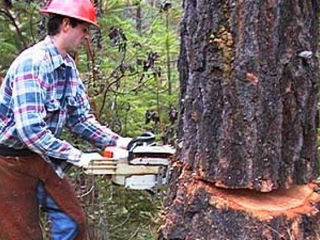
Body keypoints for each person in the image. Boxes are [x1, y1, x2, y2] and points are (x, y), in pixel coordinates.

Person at [0, 0, 131, 239]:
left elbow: (80, 119)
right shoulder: (32, 63)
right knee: (19, 234)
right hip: (9, 161)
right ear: (66, 24)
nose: (87, 36)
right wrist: (78, 157)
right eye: (84, 29)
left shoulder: (67, 67)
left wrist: (120, 142)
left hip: (44, 158)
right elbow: (30, 130)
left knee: (73, 223)